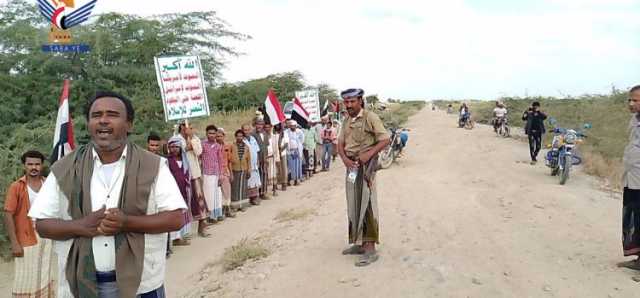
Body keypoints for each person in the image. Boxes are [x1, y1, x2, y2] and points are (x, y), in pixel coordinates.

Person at [28, 91, 186, 297]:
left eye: (112, 114)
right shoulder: (64, 168)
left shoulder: (154, 165)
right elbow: (42, 225)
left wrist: (127, 222)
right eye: (96, 115)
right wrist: (80, 226)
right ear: (89, 123)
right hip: (80, 286)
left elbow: (175, 218)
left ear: (129, 124)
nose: (103, 120)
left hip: (143, 284)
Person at [337, 88, 390, 267]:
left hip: (366, 167)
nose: (349, 105)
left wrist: (368, 155)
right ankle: (358, 243)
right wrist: (344, 159)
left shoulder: (370, 117)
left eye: (352, 101)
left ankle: (370, 248)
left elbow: (385, 139)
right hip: (351, 168)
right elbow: (340, 143)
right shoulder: (346, 120)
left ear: (360, 100)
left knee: (367, 205)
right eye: (346, 102)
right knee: (353, 204)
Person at [5, 150, 54, 297]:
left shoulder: (48, 184)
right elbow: (8, 213)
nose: (34, 167)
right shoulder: (17, 186)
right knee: (24, 276)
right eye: (30, 164)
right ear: (24, 166)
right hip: (26, 237)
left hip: (47, 236)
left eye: (37, 164)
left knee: (44, 273)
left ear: (42, 165)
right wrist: (14, 242)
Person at [177, 123, 209, 236]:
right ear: (182, 128)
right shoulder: (177, 139)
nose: (190, 129)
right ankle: (183, 233)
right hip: (182, 175)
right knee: (184, 202)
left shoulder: (195, 138)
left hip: (194, 173)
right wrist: (187, 146)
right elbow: (179, 151)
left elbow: (199, 152)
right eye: (187, 127)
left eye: (191, 127)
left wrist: (191, 140)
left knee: (199, 201)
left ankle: (202, 226)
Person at [621, 85, 640, 268]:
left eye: (635, 100)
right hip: (633, 178)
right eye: (630, 99)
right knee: (634, 218)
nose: (631, 103)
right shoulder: (634, 120)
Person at [167, 136, 197, 243]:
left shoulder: (185, 160)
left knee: (185, 210)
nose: (174, 149)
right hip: (173, 191)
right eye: (172, 147)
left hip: (185, 189)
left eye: (176, 146)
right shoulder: (167, 161)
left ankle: (184, 233)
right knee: (176, 212)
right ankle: (176, 237)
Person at [201, 124, 225, 223]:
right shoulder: (202, 144)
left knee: (216, 195)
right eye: (210, 133)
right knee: (208, 195)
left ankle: (217, 215)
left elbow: (220, 160)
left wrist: (221, 174)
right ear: (206, 134)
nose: (212, 135)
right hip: (206, 174)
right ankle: (210, 216)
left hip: (216, 174)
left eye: (214, 133)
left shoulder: (218, 146)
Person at [216, 128, 236, 218]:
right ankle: (221, 212)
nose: (219, 138)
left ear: (224, 136)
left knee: (227, 192)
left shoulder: (227, 146)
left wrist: (231, 173)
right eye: (217, 136)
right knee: (218, 193)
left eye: (220, 136)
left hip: (225, 171)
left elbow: (229, 161)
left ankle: (227, 209)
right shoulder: (214, 147)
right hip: (215, 173)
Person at [230, 129, 251, 212]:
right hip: (235, 169)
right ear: (235, 137)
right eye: (238, 136)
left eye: (241, 136)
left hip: (244, 169)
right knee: (235, 187)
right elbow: (229, 159)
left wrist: (249, 170)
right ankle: (235, 205)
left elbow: (249, 159)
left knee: (243, 187)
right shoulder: (232, 146)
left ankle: (243, 205)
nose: (239, 137)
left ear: (243, 137)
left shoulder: (246, 147)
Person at [243, 124, 262, 205]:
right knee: (249, 182)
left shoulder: (253, 139)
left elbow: (257, 151)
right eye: (245, 130)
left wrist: (258, 161)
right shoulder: (242, 141)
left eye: (248, 130)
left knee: (255, 181)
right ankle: (250, 199)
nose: (246, 132)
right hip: (248, 165)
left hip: (255, 164)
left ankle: (255, 197)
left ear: (250, 130)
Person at [252, 118, 271, 200]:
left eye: (261, 124)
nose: (259, 126)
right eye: (258, 124)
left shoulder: (265, 133)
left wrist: (267, 157)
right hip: (257, 159)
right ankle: (257, 194)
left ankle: (264, 192)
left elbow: (266, 146)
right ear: (255, 125)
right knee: (257, 176)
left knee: (264, 175)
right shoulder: (253, 134)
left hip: (264, 158)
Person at [285, 120, 304, 186]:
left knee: (297, 166)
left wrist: (299, 146)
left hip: (297, 151)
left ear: (296, 126)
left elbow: (302, 139)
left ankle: (297, 180)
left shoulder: (299, 131)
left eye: (294, 126)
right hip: (290, 152)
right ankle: (289, 180)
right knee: (290, 167)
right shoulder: (286, 132)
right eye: (291, 126)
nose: (292, 127)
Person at [265, 122, 279, 196]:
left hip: (273, 157)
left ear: (271, 128)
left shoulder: (274, 137)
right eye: (266, 127)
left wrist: (277, 158)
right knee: (267, 174)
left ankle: (274, 189)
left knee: (273, 173)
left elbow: (276, 148)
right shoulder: (263, 137)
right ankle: (266, 191)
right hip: (266, 158)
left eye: (268, 127)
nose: (267, 129)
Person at [275, 124, 289, 191]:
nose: (277, 126)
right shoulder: (274, 133)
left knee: (284, 169)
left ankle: (284, 183)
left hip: (282, 153)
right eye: (276, 125)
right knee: (277, 169)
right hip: (275, 153)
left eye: (278, 125)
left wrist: (280, 150)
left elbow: (286, 144)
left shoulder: (284, 133)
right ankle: (277, 183)